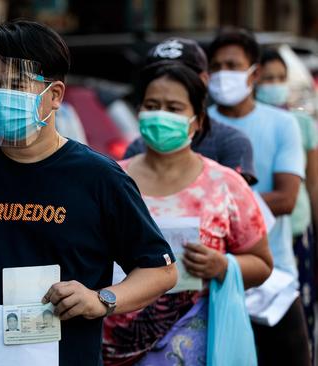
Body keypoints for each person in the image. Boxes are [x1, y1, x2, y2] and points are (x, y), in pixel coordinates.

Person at [0, 20, 178, 365]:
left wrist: (101, 299)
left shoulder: (98, 178)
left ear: (56, 95)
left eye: (16, 84)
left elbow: (160, 270)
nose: (1, 94)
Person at [102, 61, 272, 365]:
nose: (161, 115)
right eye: (152, 105)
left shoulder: (226, 185)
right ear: (139, 111)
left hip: (192, 348)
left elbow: (262, 264)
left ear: (197, 121)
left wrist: (223, 265)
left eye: (174, 107)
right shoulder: (109, 179)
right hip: (111, 348)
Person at [206, 27, 310, 366]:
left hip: (273, 274)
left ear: (255, 72)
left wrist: (220, 209)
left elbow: (287, 199)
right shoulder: (200, 124)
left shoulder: (282, 124)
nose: (224, 75)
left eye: (233, 66)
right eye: (217, 66)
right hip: (213, 276)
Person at [124, 37, 258, 185]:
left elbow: (236, 201)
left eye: (180, 76)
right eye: (157, 76)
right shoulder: (137, 149)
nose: (166, 82)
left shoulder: (230, 142)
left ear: (204, 80)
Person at [255, 48, 318, 358]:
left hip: (297, 230)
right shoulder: (243, 125)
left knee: (298, 309)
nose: (274, 84)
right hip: (259, 237)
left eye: (280, 78)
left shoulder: (300, 123)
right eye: (267, 78)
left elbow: (313, 182)